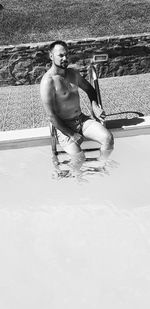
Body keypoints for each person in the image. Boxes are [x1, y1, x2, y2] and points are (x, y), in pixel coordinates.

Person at [40, 40, 114, 177]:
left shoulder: (73, 73)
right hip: (63, 127)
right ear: (51, 56)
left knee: (108, 138)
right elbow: (51, 116)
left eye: (66, 55)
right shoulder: (48, 82)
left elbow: (90, 90)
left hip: (81, 120)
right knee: (79, 158)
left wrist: (94, 105)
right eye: (61, 55)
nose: (65, 58)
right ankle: (72, 176)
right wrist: (71, 134)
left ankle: (100, 167)